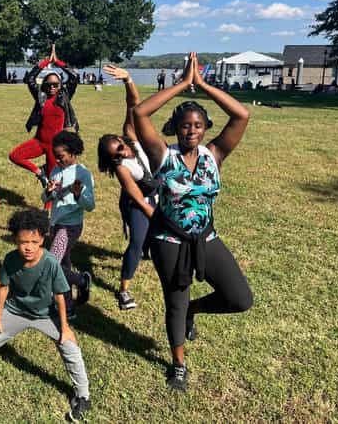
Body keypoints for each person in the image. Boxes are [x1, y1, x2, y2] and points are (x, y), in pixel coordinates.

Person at [133, 52, 253, 391]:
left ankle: (193, 310)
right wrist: (182, 84)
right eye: (186, 125)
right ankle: (178, 365)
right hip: (169, 242)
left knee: (240, 298)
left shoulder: (214, 154)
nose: (192, 130)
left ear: (205, 128)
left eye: (198, 125)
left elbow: (242, 115)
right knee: (175, 302)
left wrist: (202, 84)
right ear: (176, 127)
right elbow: (140, 112)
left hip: (206, 238)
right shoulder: (162, 154)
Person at [0, 209, 91, 422]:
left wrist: (65, 328)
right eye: (23, 242)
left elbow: (61, 295)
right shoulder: (10, 259)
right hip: (16, 310)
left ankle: (83, 396)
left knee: (70, 348)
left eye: (35, 242)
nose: (29, 247)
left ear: (43, 239)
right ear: (15, 239)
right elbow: (3, 288)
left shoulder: (51, 262)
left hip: (46, 314)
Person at [98, 65, 158, 311]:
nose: (121, 152)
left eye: (120, 147)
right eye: (115, 154)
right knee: (137, 242)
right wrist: (150, 211)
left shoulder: (132, 136)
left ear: (121, 139)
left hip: (156, 192)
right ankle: (123, 291)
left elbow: (134, 105)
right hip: (137, 201)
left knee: (157, 236)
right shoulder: (122, 167)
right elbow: (135, 194)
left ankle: (150, 249)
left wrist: (128, 80)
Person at [9, 44, 80, 192]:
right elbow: (30, 78)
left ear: (60, 85)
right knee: (14, 156)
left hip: (55, 146)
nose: (52, 87)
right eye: (49, 84)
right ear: (44, 85)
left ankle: (48, 202)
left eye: (55, 84)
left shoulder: (65, 96)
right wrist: (46, 62)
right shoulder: (41, 96)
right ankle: (40, 172)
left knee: (53, 181)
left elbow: (74, 77)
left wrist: (58, 62)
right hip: (39, 142)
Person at [41, 131, 94, 318]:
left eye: (61, 156)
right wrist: (49, 192)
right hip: (55, 224)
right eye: (55, 156)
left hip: (69, 226)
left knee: (52, 262)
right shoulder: (56, 170)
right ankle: (69, 308)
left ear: (73, 153)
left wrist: (78, 195)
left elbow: (90, 205)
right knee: (64, 265)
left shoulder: (83, 174)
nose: (57, 160)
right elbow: (46, 198)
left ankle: (82, 280)